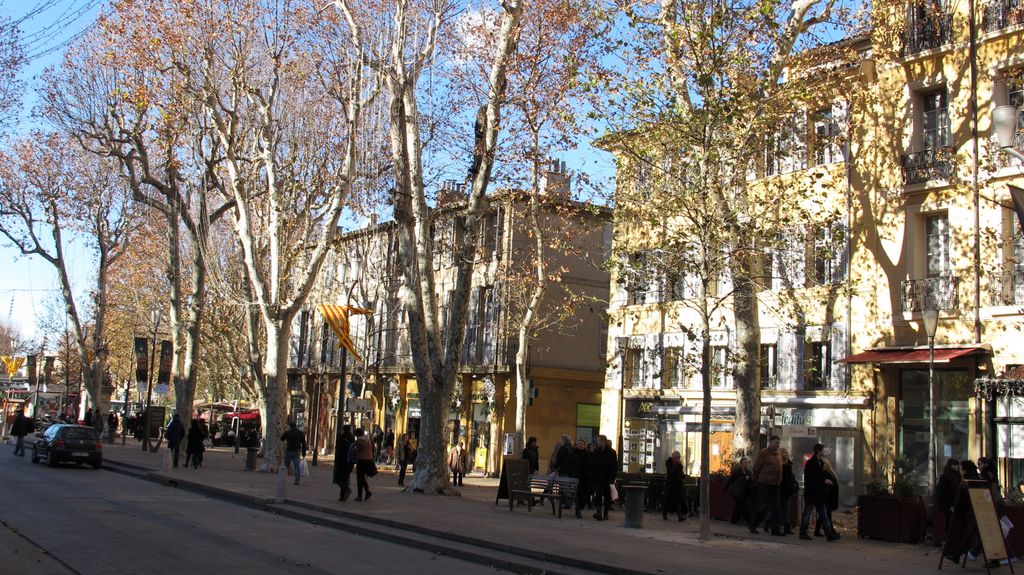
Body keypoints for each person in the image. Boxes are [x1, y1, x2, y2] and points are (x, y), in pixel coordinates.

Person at [799, 443, 840, 541]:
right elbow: (812, 478)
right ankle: (803, 532)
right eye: (823, 450)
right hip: (812, 493)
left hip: (819, 494)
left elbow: (819, 476)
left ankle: (829, 533)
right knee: (808, 513)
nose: (824, 452)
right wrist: (824, 480)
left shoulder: (819, 463)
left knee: (823, 514)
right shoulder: (811, 463)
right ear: (818, 451)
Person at [748, 435, 784, 536]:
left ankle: (775, 529)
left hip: (776, 484)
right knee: (762, 505)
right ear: (771, 443)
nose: (778, 445)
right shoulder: (763, 453)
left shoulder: (779, 454)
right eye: (776, 442)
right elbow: (756, 468)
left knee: (776, 507)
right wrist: (757, 480)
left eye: (778, 443)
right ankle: (753, 524)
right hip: (764, 483)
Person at [936, 458, 963, 564]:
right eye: (954, 465)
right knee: (950, 526)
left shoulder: (957, 476)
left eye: (957, 465)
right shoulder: (946, 477)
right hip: (949, 506)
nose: (956, 467)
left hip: (955, 506)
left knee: (952, 527)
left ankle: (950, 549)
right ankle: (948, 548)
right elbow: (942, 494)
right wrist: (949, 506)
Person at [591, 435, 617, 521]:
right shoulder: (596, 451)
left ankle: (605, 513)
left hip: (607, 477)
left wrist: (612, 478)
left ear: (603, 441)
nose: (597, 442)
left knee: (607, 495)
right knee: (598, 494)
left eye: (598, 440)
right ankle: (599, 512)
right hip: (598, 477)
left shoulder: (612, 452)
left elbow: (614, 466)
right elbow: (594, 464)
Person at [815, 457, 840, 537]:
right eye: (822, 464)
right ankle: (831, 531)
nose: (824, 465)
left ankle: (817, 530)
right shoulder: (823, 474)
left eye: (825, 464)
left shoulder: (829, 472)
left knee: (824, 515)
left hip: (831, 497)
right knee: (827, 515)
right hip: (826, 498)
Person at [724, 457, 753, 524]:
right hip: (737, 492)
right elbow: (730, 480)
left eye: (747, 463)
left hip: (744, 492)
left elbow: (751, 480)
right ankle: (748, 520)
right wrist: (725, 489)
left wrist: (749, 478)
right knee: (742, 505)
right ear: (741, 464)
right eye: (745, 462)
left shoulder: (748, 472)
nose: (746, 464)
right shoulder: (737, 472)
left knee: (739, 506)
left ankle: (734, 520)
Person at [777, 448, 798, 535]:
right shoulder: (779, 463)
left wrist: (793, 483)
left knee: (786, 508)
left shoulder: (789, 463)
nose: (785, 454)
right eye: (783, 453)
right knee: (780, 508)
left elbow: (790, 475)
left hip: (788, 488)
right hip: (781, 488)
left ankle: (786, 527)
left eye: (786, 452)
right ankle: (773, 524)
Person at [663, 450, 688, 522]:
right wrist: (678, 466)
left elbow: (681, 474)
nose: (677, 459)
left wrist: (680, 467)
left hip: (677, 485)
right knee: (668, 500)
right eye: (676, 457)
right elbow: (671, 472)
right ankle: (664, 513)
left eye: (678, 458)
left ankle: (680, 516)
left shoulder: (679, 465)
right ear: (673, 457)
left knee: (678, 500)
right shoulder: (669, 462)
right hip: (670, 485)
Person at [570, 438, 591, 518]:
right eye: (579, 444)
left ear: (584, 445)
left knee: (582, 493)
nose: (580, 445)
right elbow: (570, 463)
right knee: (576, 493)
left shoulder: (587, 453)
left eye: (582, 444)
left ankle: (579, 508)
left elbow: (589, 464)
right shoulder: (573, 452)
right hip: (575, 476)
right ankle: (578, 510)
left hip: (584, 477)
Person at [333, 425, 355, 501]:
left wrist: (337, 461)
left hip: (342, 461)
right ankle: (342, 496)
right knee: (345, 478)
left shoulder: (341, 437)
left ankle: (346, 489)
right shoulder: (352, 438)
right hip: (350, 462)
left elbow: (338, 449)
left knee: (338, 478)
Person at [354, 428, 375, 501]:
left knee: (360, 478)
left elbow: (356, 450)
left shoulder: (358, 441)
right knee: (362, 478)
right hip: (369, 460)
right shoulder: (368, 440)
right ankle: (366, 493)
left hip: (362, 460)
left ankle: (363, 494)